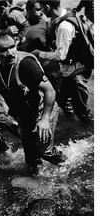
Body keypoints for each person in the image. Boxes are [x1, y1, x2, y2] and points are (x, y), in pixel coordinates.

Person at [0, 34, 66, 174]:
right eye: (4, 49)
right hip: (24, 115)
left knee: (45, 151)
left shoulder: (26, 64)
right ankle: (37, 180)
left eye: (12, 47)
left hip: (43, 111)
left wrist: (45, 119)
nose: (10, 53)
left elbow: (50, 91)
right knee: (30, 157)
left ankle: (66, 164)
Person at [31, 0, 93, 128]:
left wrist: (39, 53)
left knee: (81, 109)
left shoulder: (64, 26)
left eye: (42, 9)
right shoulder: (67, 14)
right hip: (72, 68)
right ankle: (74, 126)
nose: (41, 12)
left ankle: (90, 135)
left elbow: (60, 55)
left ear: (47, 7)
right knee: (65, 100)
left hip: (75, 71)